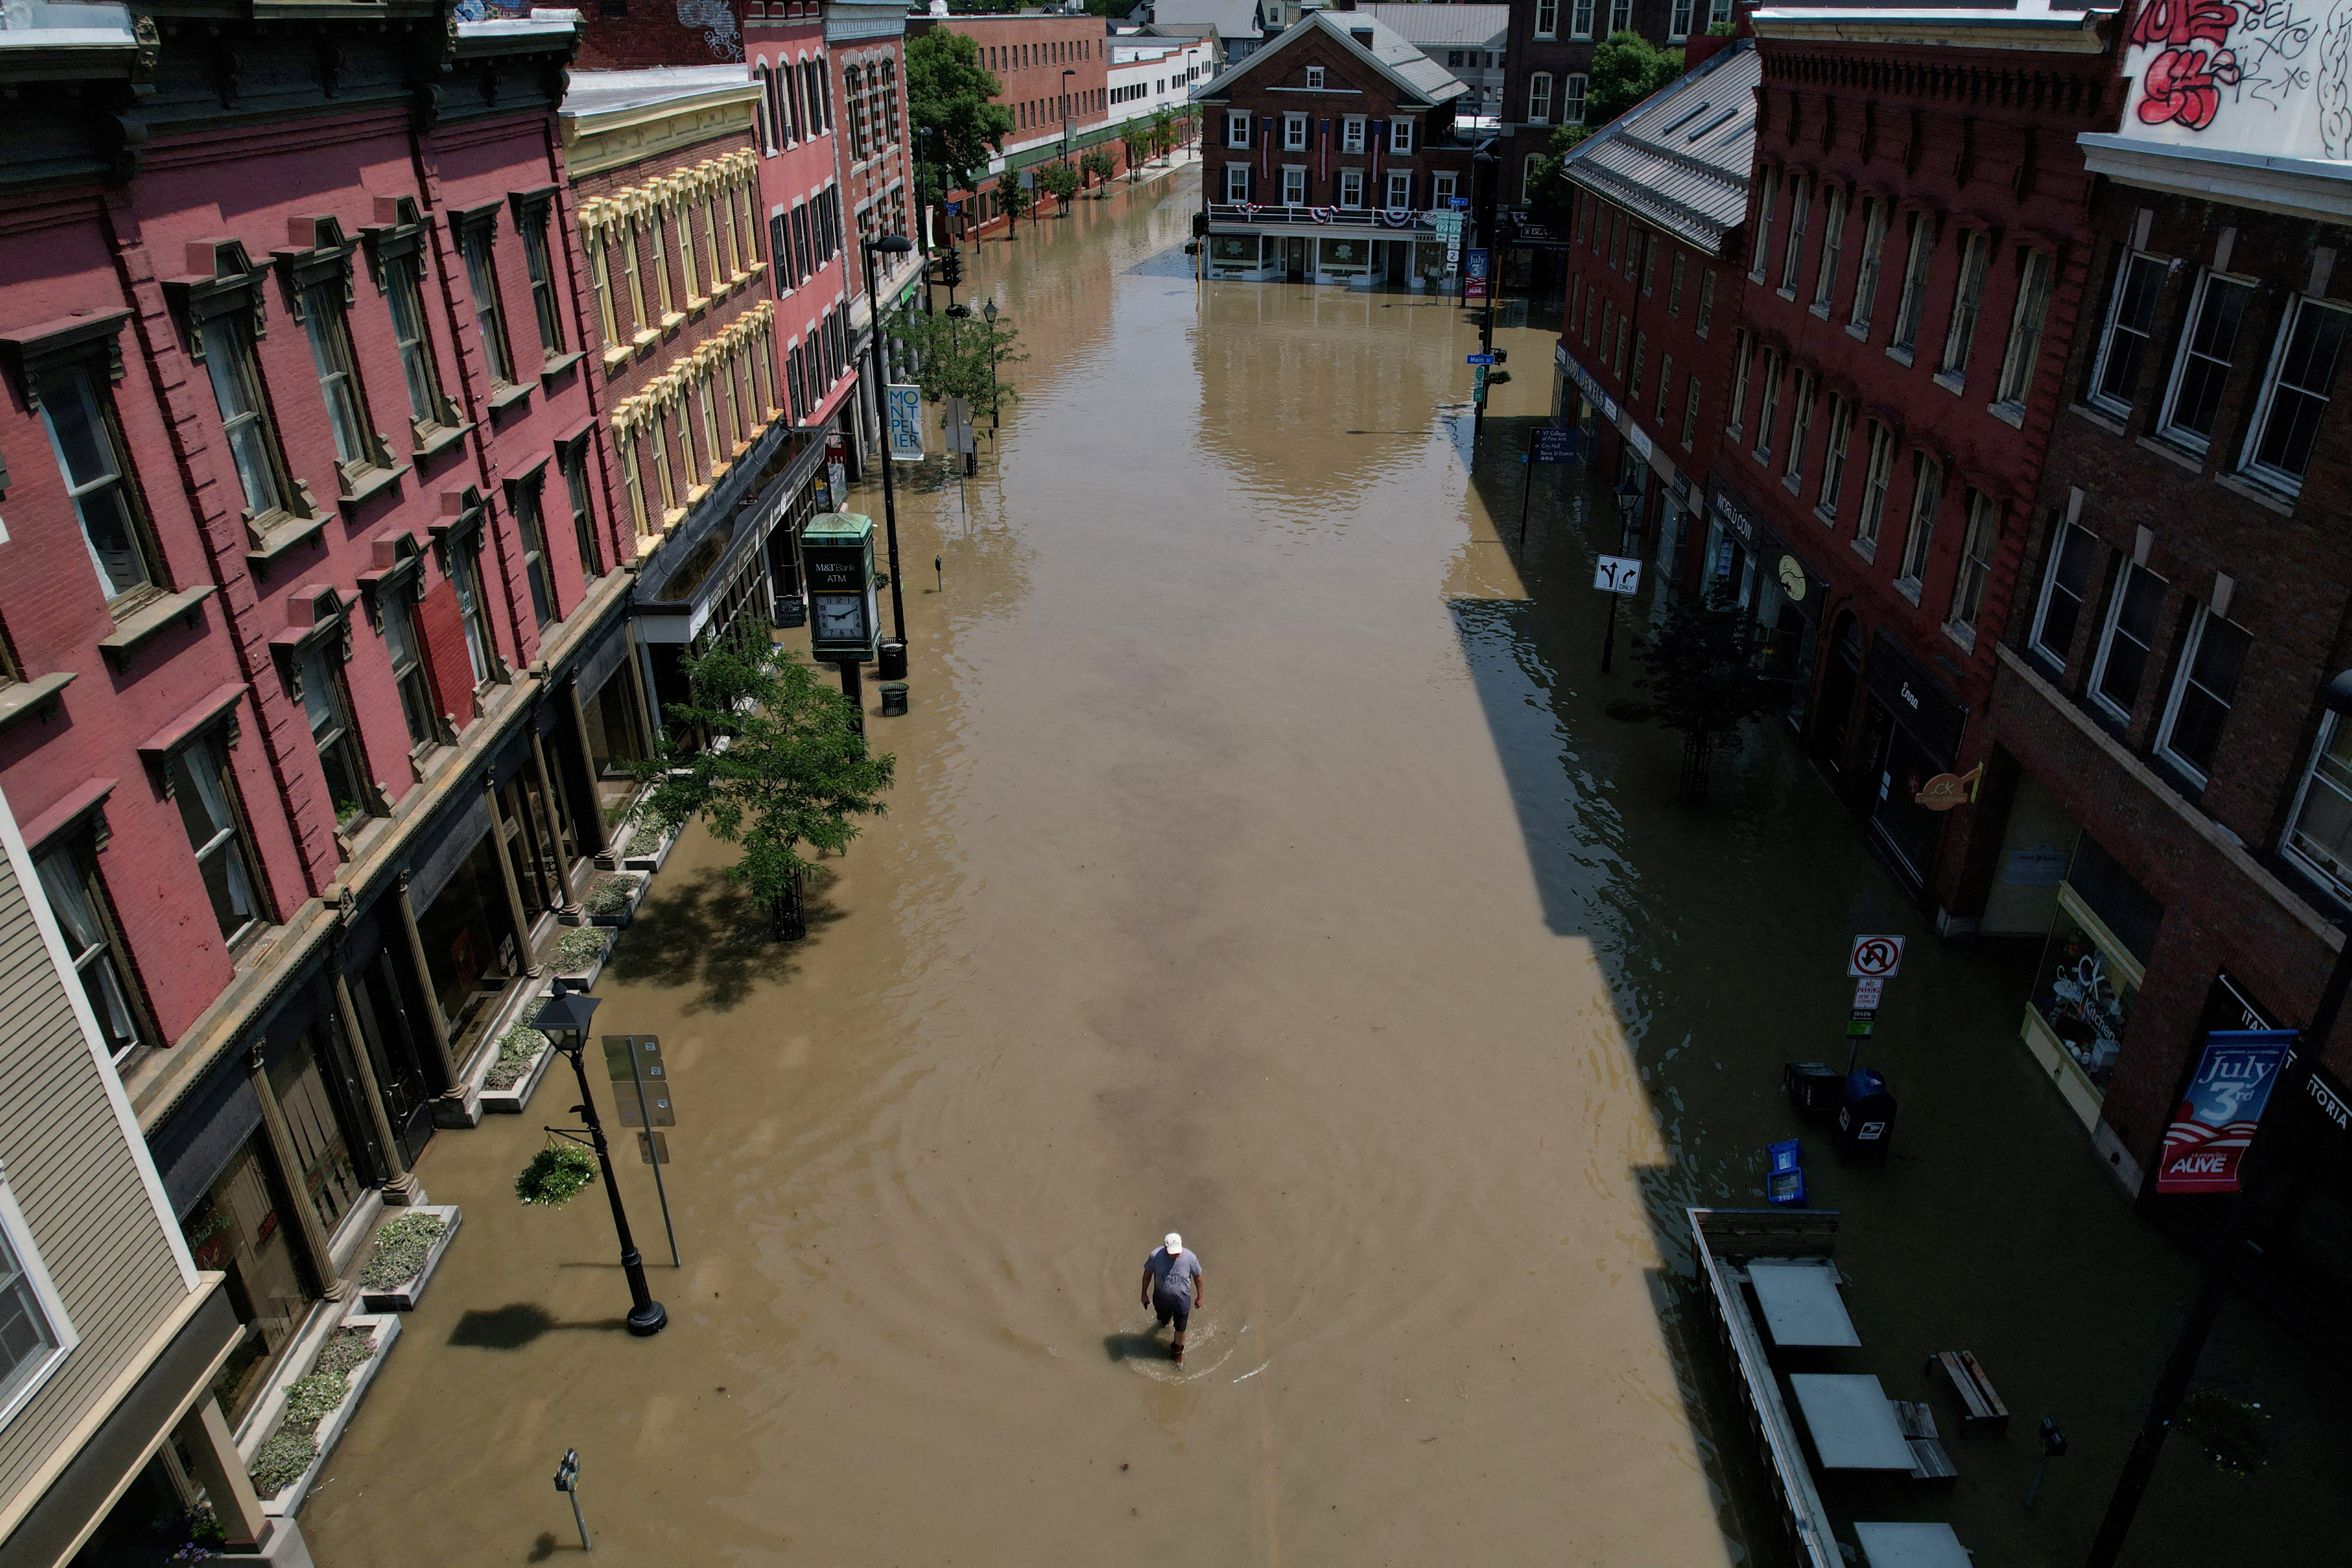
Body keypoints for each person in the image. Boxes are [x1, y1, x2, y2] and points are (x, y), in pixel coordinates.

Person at [1140, 1232, 1204, 1364]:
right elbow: (1148, 1274)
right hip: (1161, 1300)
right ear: (1165, 1247)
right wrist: (1144, 1294)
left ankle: (1177, 1350)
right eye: (1172, 1253)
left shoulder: (1190, 1258)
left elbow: (1198, 1277)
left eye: (1177, 1253)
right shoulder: (1155, 1256)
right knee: (1163, 1320)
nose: (1175, 1256)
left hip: (1182, 1302)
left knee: (1181, 1329)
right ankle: (1166, 1320)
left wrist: (1200, 1297)